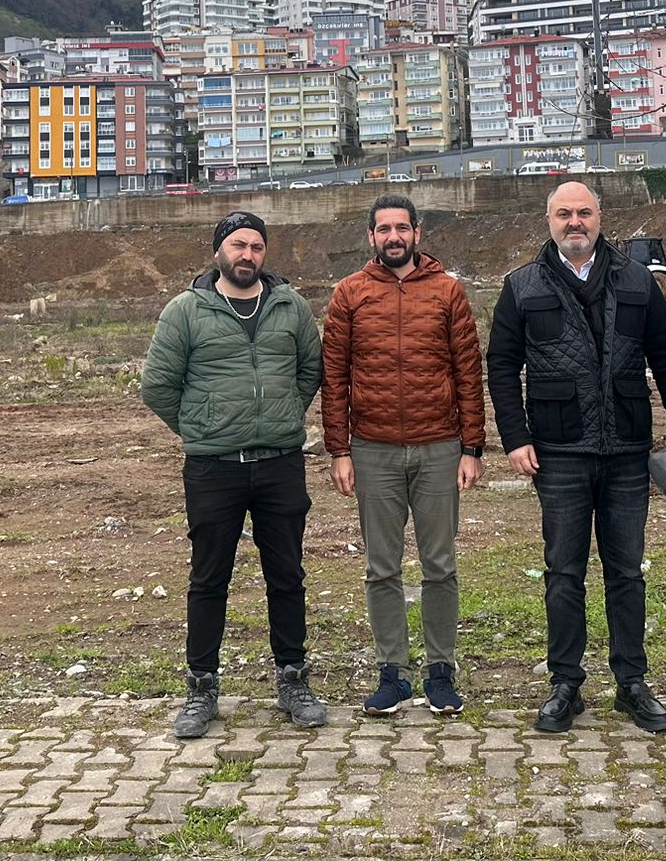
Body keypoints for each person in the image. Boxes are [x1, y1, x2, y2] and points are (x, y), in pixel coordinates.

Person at [486, 180, 666, 734]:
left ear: (600, 219)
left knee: (627, 571)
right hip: (558, 454)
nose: (574, 222)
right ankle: (566, 684)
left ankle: (632, 683)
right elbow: (502, 369)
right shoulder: (521, 286)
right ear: (549, 221)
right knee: (564, 572)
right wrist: (515, 437)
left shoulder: (636, 280)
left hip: (627, 450)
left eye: (583, 213)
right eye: (564, 214)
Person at [141, 210, 328, 739]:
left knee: (287, 575)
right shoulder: (185, 311)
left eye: (257, 247)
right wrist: (202, 427)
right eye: (238, 245)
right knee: (208, 578)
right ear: (219, 250)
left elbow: (310, 370)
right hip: (212, 469)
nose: (248, 255)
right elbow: (157, 386)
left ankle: (293, 680)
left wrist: (285, 415)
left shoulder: (291, 307)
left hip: (280, 465)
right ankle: (201, 687)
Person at [322, 195, 485, 717]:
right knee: (381, 568)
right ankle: (392, 673)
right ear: (371, 237)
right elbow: (334, 379)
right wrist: (339, 451)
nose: (394, 237)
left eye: (402, 228)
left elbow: (468, 372)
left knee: (440, 566)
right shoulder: (348, 295)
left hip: (439, 447)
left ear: (418, 232)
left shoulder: (448, 292)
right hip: (373, 452)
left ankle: (440, 671)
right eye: (383, 229)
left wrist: (472, 447)